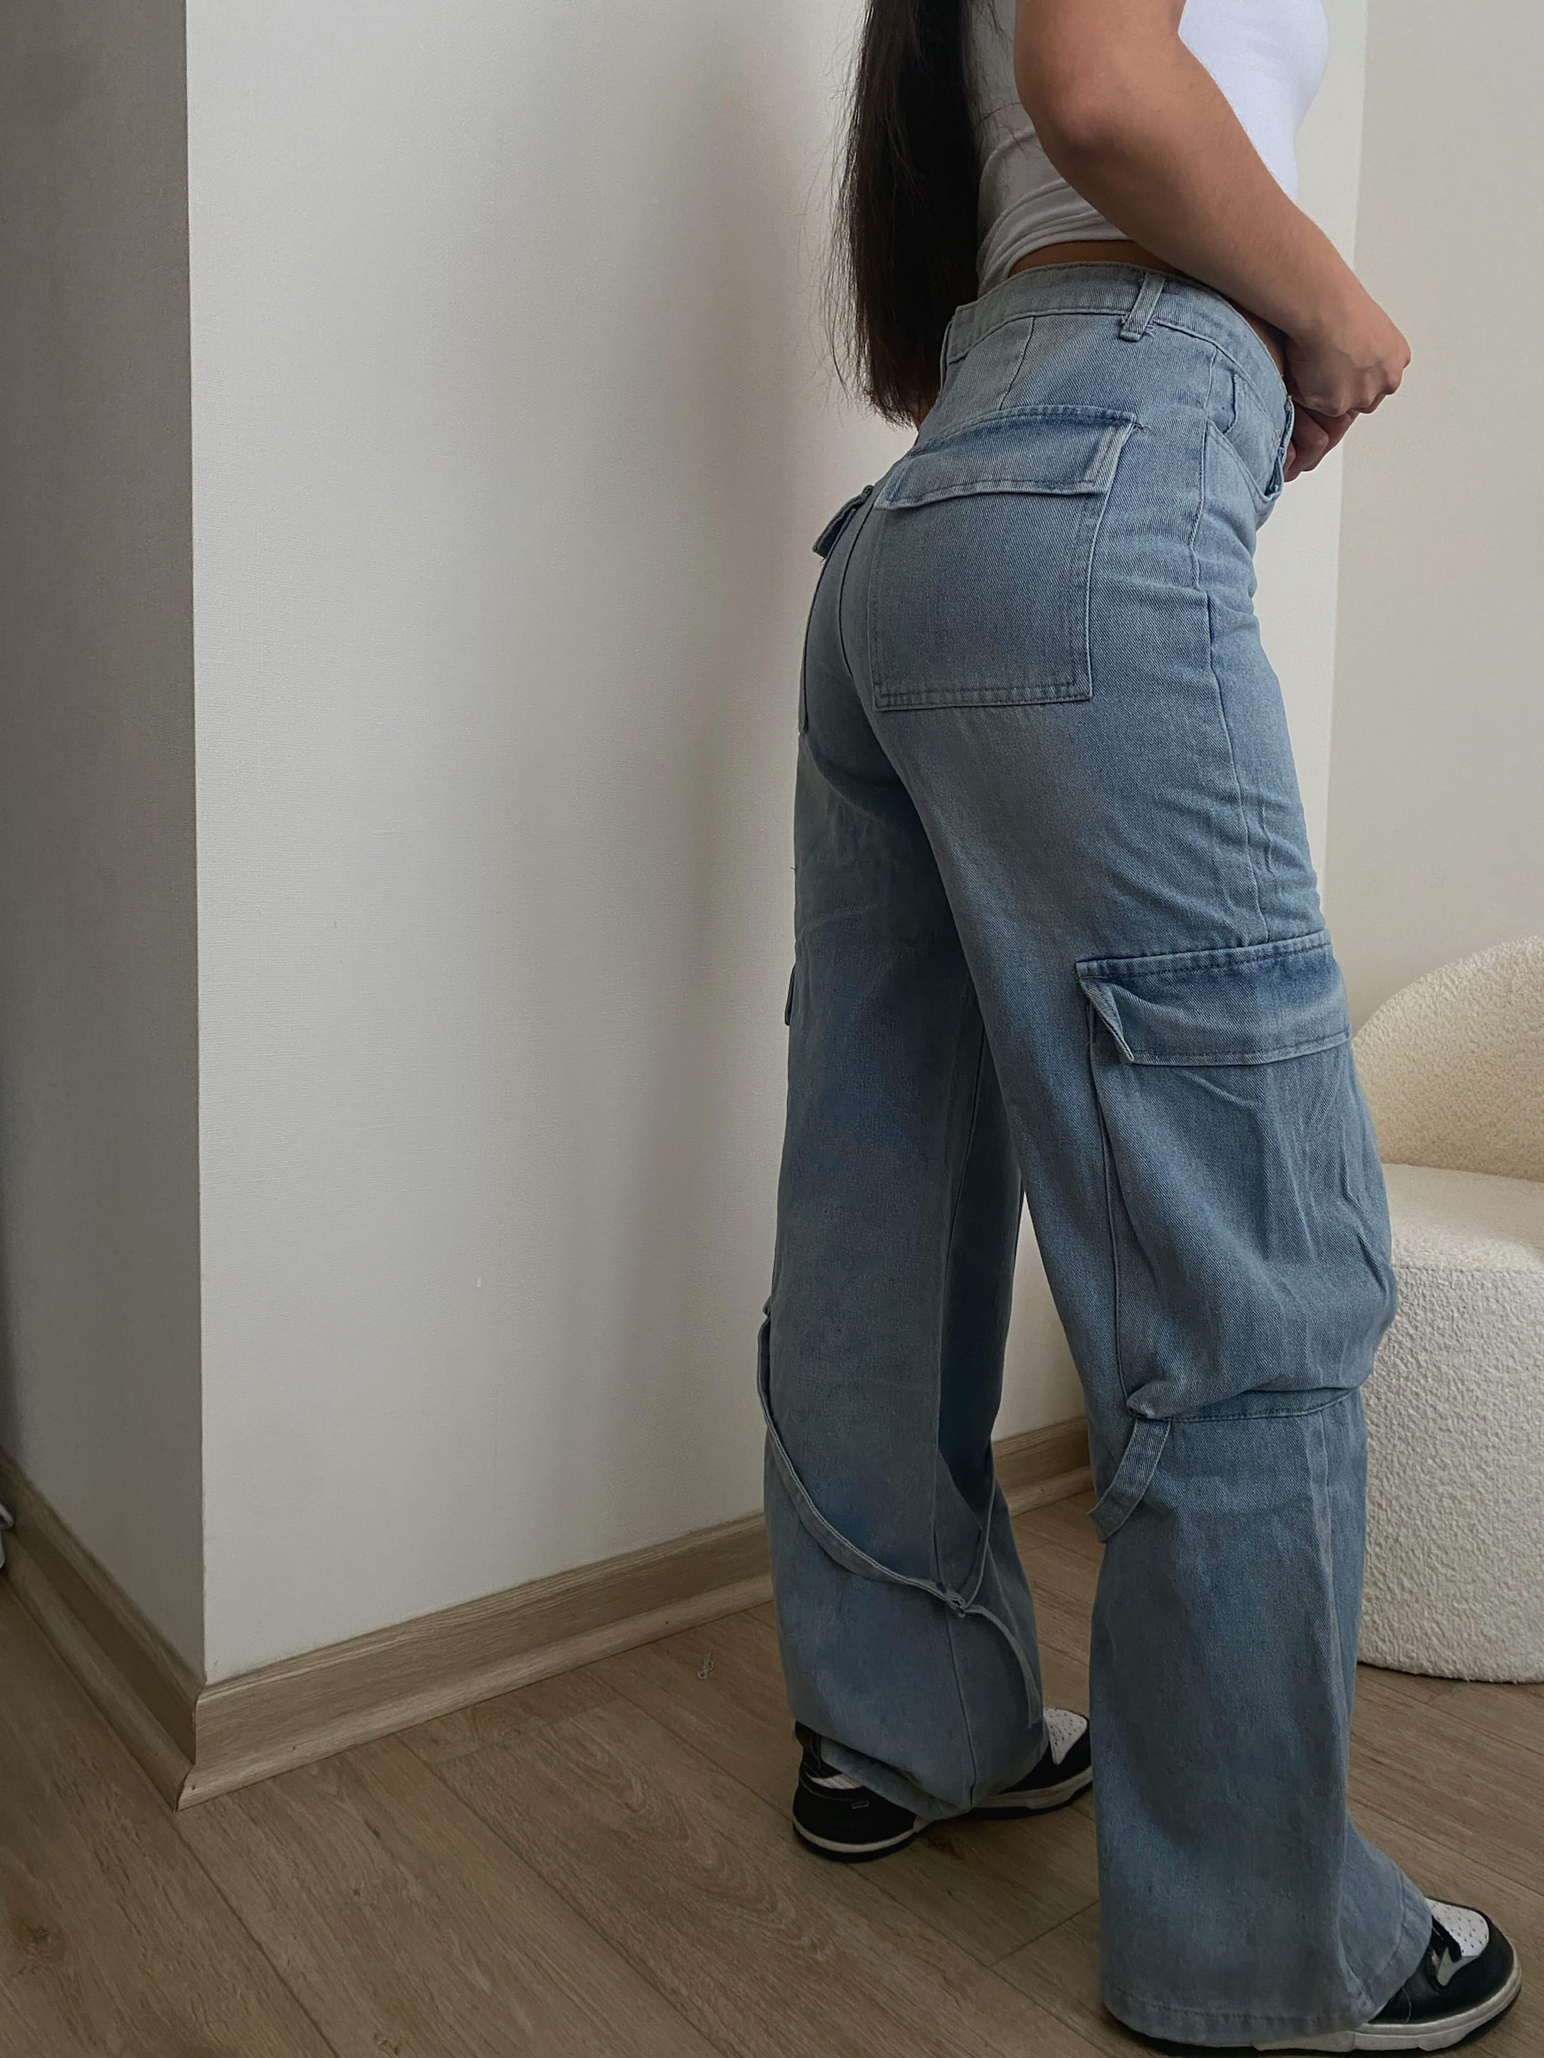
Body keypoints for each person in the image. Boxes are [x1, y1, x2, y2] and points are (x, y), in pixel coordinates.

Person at [758, 0, 1523, 2049]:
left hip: (917, 526)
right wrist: (1334, 314)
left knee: (886, 1172)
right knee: (1243, 1233)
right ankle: (1253, 1951)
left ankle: (897, 1724)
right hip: (1099, 461)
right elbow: (1103, 89)